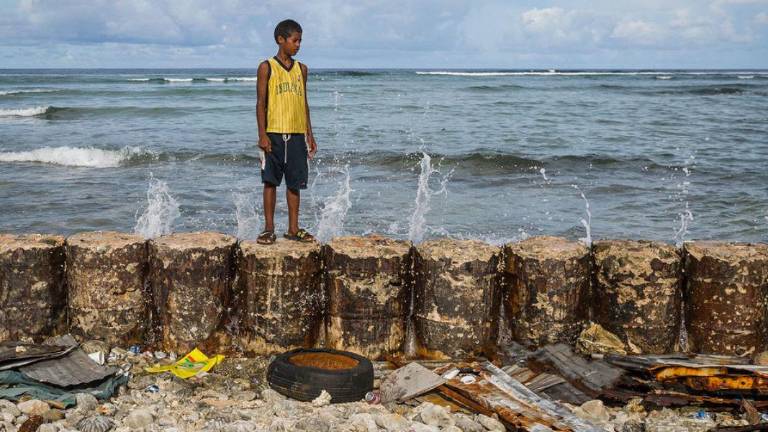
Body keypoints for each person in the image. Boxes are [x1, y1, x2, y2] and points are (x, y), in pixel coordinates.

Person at [256, 19, 317, 244]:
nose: (298, 45)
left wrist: (310, 134)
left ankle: (293, 229)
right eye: (295, 40)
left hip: (297, 135)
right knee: (270, 181)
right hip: (273, 134)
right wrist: (262, 135)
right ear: (281, 40)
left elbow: (305, 104)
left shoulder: (302, 69)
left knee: (295, 183)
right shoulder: (267, 67)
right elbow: (260, 103)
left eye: (300, 41)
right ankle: (268, 228)